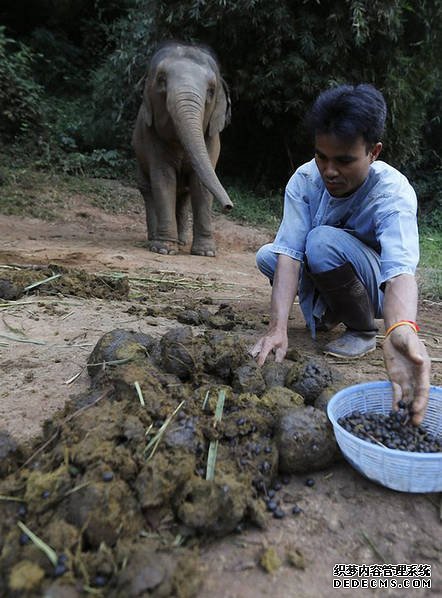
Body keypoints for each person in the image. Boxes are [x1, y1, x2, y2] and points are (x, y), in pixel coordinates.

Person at [250, 83, 431, 424]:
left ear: (374, 152)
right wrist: (278, 329)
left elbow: (400, 274)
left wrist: (400, 329)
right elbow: (288, 254)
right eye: (322, 156)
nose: (330, 171)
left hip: (375, 288)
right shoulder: (305, 179)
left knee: (320, 243)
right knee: (268, 255)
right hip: (333, 266)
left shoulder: (392, 194)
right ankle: (332, 310)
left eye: (344, 160)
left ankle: (362, 329)